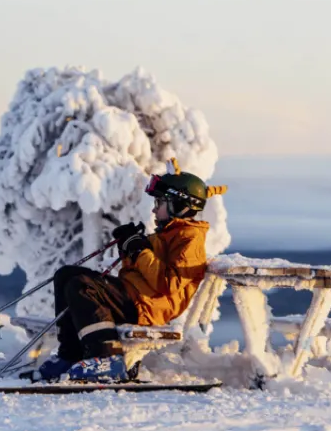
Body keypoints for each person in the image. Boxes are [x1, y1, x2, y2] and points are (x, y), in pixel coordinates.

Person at [32, 163, 227, 382]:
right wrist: (129, 246)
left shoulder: (189, 239)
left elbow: (168, 283)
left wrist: (140, 250)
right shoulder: (167, 234)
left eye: (160, 202)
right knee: (66, 274)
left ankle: (106, 357)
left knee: (82, 285)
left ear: (179, 204)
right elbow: (139, 271)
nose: (154, 209)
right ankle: (71, 355)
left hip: (150, 307)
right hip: (138, 298)